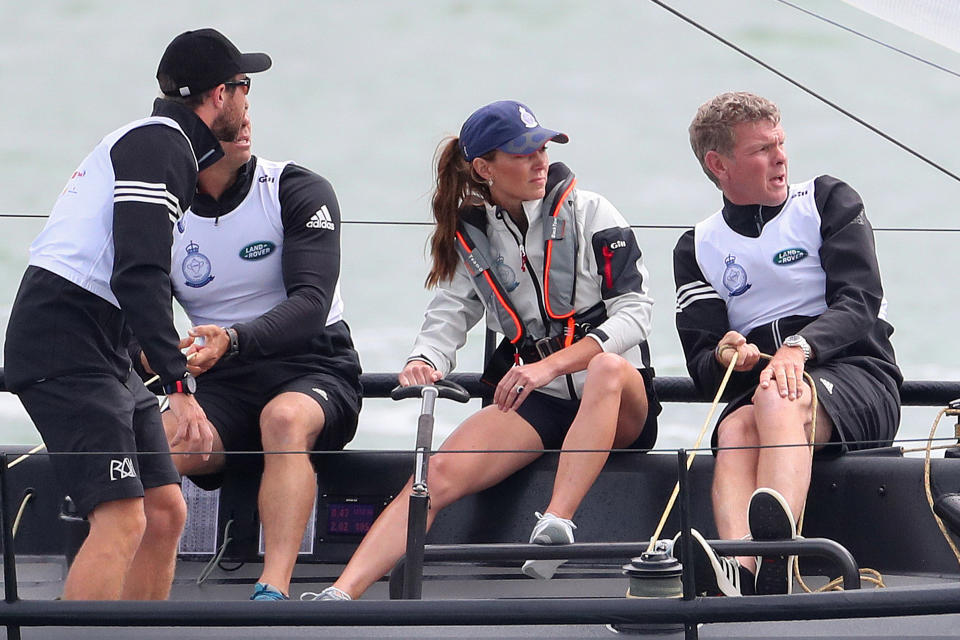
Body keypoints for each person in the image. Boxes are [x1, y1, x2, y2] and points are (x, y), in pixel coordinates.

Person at [308, 99, 660, 601]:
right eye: (522, 153)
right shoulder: (474, 234)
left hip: (617, 399)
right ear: (483, 168)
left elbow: (637, 311)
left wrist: (550, 365)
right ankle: (340, 595)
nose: (540, 160)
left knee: (605, 366)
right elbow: (450, 311)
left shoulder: (592, 212)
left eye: (543, 147)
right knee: (435, 475)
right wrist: (424, 359)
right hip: (542, 401)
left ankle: (556, 525)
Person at [2, 28, 271, 600]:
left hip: (100, 340)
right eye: (244, 86)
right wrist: (178, 383)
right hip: (63, 339)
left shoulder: (160, 142)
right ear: (219, 94)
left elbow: (118, 271)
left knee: (166, 509)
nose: (249, 100)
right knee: (123, 517)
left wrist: (146, 348)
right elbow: (136, 271)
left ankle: (135, 631)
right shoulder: (162, 143)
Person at [672, 91, 901, 596]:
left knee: (775, 397)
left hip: (860, 377)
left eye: (780, 143)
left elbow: (860, 301)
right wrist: (725, 353)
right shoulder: (697, 247)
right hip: (767, 393)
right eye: (761, 149)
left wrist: (798, 347)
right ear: (719, 164)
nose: (780, 158)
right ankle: (742, 572)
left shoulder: (827, 200)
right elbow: (704, 366)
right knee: (734, 427)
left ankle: (777, 555)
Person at [143, 112, 362, 601]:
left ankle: (273, 589)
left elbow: (310, 304)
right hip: (220, 379)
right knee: (151, 446)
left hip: (314, 363)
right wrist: (153, 356)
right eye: (228, 127)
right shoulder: (160, 214)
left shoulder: (297, 189)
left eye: (246, 118)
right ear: (192, 143)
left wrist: (234, 338)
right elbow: (135, 315)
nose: (245, 128)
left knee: (282, 418)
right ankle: (133, 597)